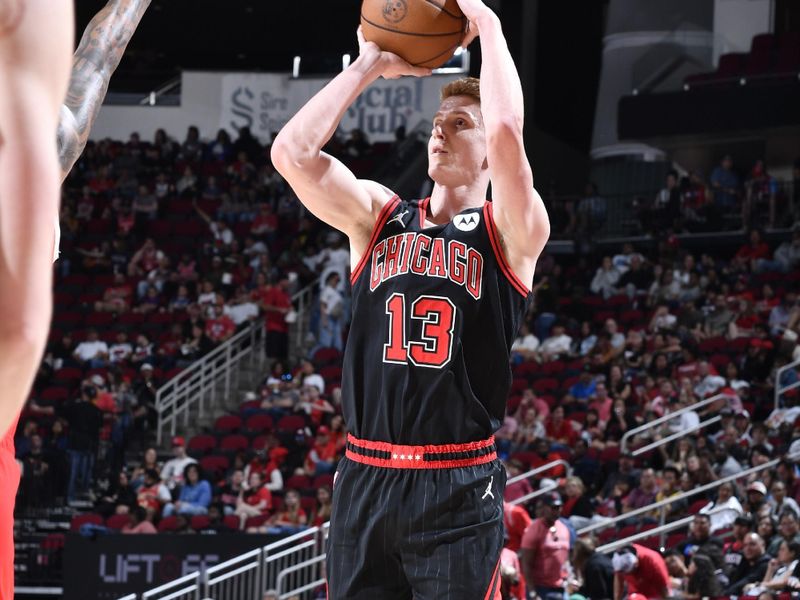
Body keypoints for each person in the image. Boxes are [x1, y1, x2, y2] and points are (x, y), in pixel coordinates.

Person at [271, 0, 549, 596]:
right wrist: (367, 65)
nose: (439, 131)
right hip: (364, 475)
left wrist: (490, 25)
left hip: (457, 484)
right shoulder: (379, 216)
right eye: (436, 122)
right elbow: (290, 155)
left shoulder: (513, 231)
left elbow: (505, 130)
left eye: (459, 123)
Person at [520, 492, 570, 600]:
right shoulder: (533, 530)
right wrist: (533, 592)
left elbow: (566, 557)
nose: (557, 510)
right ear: (544, 508)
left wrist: (570, 578)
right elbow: (526, 564)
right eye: (553, 507)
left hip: (560, 587)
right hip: (541, 589)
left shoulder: (564, 528)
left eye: (559, 507)